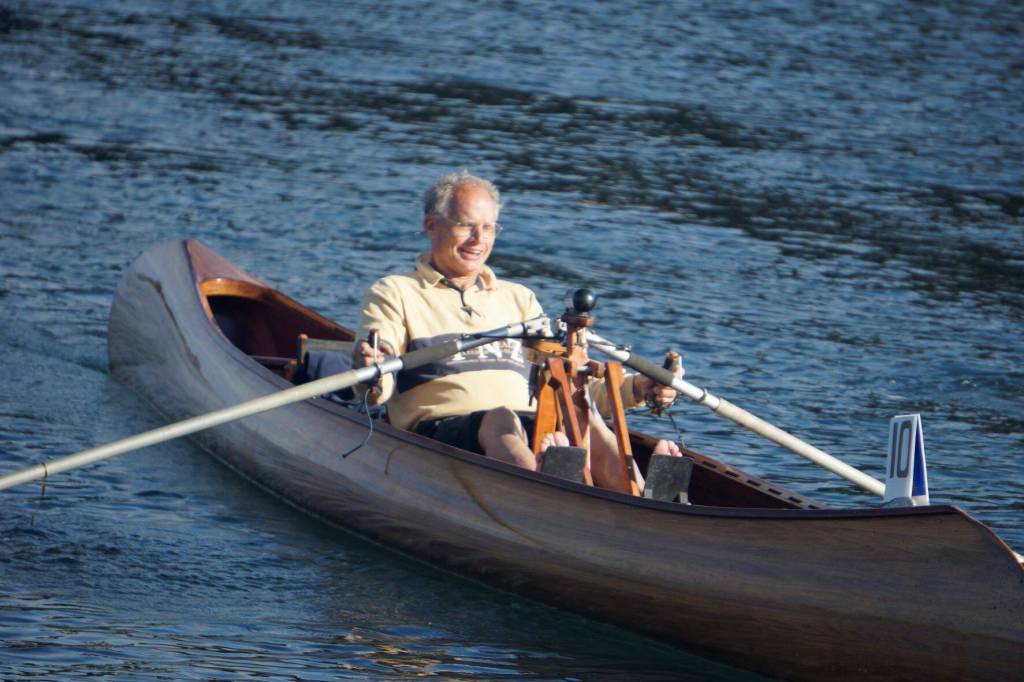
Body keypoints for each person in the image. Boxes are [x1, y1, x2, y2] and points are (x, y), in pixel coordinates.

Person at [354, 170, 680, 492]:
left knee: (584, 419)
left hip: (528, 428)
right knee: (500, 419)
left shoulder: (519, 299)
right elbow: (377, 382)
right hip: (438, 433)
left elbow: (573, 387)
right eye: (466, 225)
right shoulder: (395, 292)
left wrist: (640, 387)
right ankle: (539, 490)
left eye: (488, 228)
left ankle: (644, 499)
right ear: (431, 225)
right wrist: (370, 371)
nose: (478, 240)